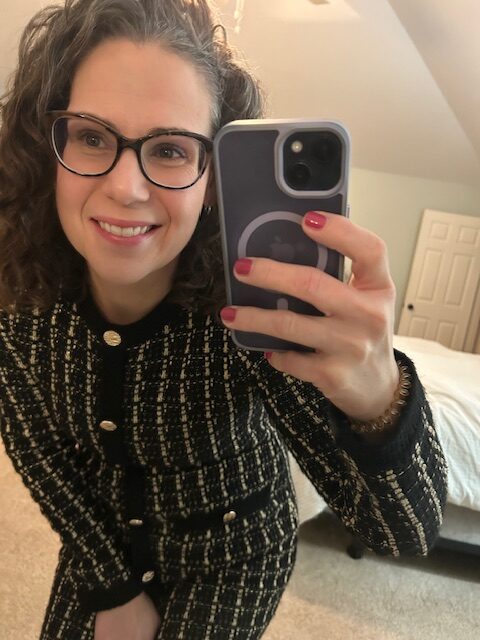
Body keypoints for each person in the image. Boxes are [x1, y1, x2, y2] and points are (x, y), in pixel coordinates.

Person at [0, 1, 448, 639]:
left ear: (212, 179)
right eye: (91, 137)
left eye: (170, 150)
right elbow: (34, 445)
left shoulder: (251, 310)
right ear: (49, 147)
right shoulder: (18, 288)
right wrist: (113, 587)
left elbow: (403, 531)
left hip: (238, 554)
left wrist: (379, 394)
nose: (126, 187)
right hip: (102, 542)